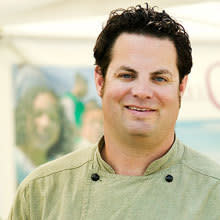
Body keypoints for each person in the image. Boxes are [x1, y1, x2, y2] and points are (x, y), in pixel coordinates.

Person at [9, 3, 220, 219]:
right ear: (100, 80)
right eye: (127, 75)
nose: (142, 92)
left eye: (159, 78)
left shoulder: (214, 192)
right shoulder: (41, 192)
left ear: (181, 87)